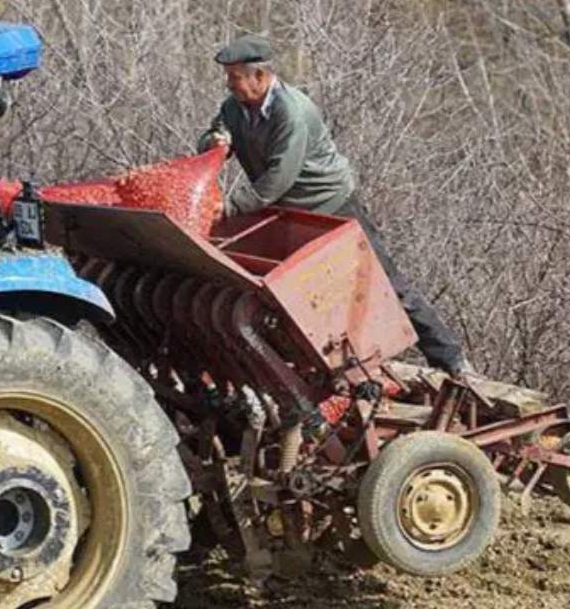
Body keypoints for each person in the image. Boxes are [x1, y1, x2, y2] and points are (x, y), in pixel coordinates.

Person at [198, 34, 474, 377]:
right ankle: (336, 368)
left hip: (331, 205)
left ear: (260, 76)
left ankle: (452, 360)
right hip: (286, 211)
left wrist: (230, 207)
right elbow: (216, 131)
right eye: (228, 77)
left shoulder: (293, 111)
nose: (230, 84)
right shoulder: (234, 107)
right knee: (305, 295)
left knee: (384, 283)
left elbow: (279, 176)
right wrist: (214, 141)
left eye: (236, 77)